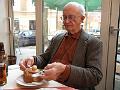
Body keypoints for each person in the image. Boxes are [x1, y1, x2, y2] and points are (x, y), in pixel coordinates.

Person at [19, 2, 103, 90]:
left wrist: (64, 70)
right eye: (64, 17)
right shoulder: (57, 38)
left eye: (71, 17)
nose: (66, 21)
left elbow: (95, 76)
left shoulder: (93, 43)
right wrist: (33, 60)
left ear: (82, 19)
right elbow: (45, 58)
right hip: (49, 84)